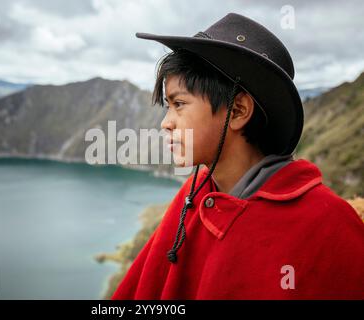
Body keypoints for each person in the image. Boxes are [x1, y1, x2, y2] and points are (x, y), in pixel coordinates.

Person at [111, 13, 364, 299]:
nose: (166, 123)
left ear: (238, 110)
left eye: (179, 104)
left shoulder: (328, 223)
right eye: (167, 106)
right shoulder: (193, 197)